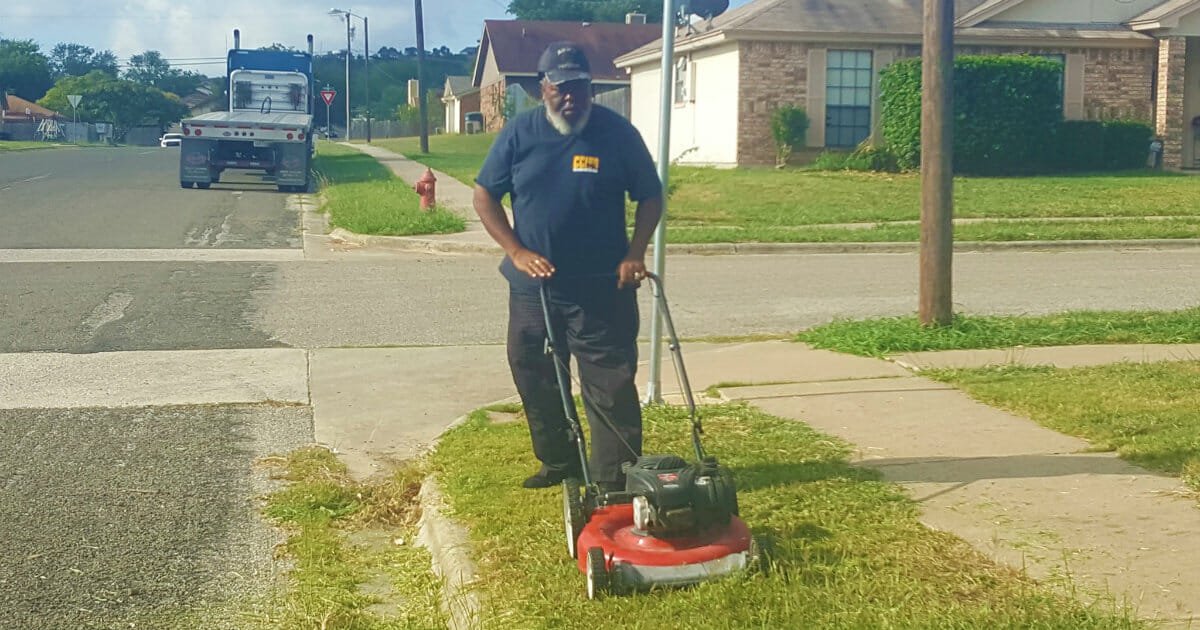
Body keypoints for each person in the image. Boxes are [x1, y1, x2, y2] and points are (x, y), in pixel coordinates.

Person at [472, 41, 664, 490]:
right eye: (561, 87)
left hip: (602, 288)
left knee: (609, 383)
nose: (571, 96)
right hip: (533, 289)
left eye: (579, 86)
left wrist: (635, 252)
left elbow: (650, 196)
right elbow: (484, 195)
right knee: (533, 372)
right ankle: (560, 462)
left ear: (591, 87)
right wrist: (516, 251)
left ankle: (614, 480)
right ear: (543, 89)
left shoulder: (617, 134)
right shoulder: (520, 133)